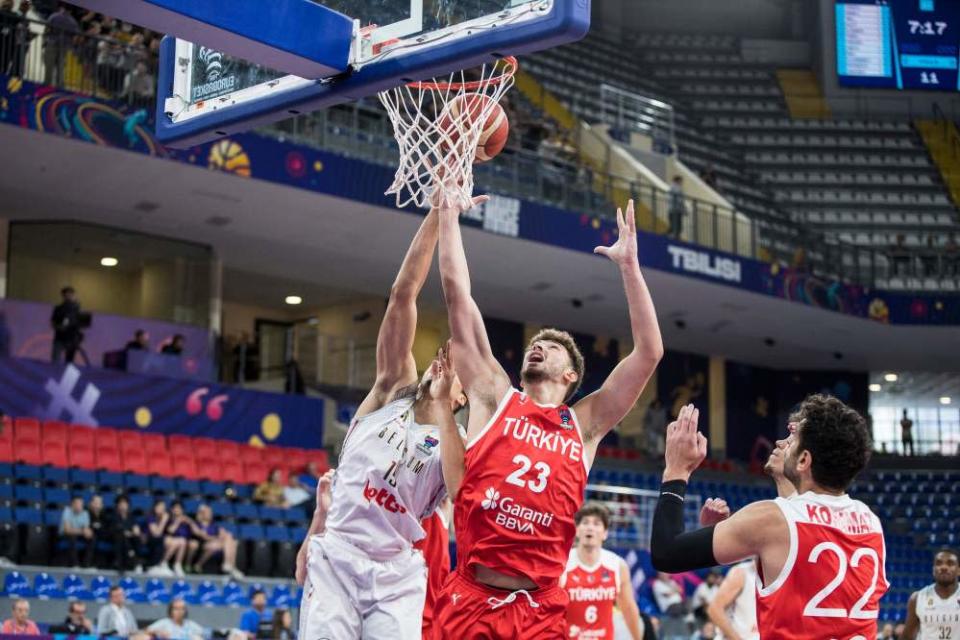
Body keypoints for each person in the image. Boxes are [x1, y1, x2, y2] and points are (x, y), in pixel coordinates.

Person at [432, 196, 663, 639]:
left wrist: (630, 269)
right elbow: (457, 295)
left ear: (571, 373)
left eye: (551, 347)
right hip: (473, 598)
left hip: (540, 609)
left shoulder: (584, 423)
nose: (538, 346)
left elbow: (650, 352)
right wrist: (447, 215)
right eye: (535, 344)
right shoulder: (492, 394)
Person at [298, 201, 468, 640]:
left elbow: (465, 493)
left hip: (396, 572)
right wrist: (441, 209)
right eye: (444, 355)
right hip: (339, 554)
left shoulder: (458, 443)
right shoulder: (392, 389)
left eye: (457, 367)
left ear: (464, 395)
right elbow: (403, 293)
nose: (443, 363)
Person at [649, 395, 886, 639]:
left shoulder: (773, 519)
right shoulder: (870, 521)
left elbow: (666, 553)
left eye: (792, 441)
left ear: (804, 460)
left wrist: (676, 471)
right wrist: (719, 534)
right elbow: (793, 558)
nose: (782, 442)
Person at [559, 502, 645, 640]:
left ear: (605, 533)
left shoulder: (618, 565)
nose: (590, 527)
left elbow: (628, 609)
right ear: (577, 530)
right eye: (585, 522)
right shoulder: (563, 564)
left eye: (597, 523)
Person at [903, 548, 960, 640]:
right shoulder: (917, 598)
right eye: (938, 563)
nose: (944, 567)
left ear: (958, 570)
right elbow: (906, 637)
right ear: (933, 570)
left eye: (950, 563)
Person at [185, 504, 242, 578]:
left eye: (210, 512)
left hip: (214, 543)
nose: (210, 514)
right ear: (202, 513)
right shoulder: (196, 523)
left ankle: (229, 564)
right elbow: (204, 537)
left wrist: (224, 535)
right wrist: (217, 538)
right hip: (200, 544)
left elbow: (222, 533)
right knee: (218, 544)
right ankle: (229, 565)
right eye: (208, 512)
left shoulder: (213, 525)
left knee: (231, 539)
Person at [145, 499, 188, 577]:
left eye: (163, 507)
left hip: (161, 539)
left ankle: (177, 565)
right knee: (175, 542)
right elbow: (157, 534)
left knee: (182, 541)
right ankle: (163, 563)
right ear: (155, 507)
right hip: (150, 540)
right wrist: (164, 520)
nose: (162, 509)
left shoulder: (167, 517)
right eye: (160, 507)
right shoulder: (151, 517)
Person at [50, 285, 83, 363]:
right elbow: (53, 322)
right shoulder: (58, 308)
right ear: (63, 296)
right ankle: (54, 373)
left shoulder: (77, 308)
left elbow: (80, 322)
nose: (68, 296)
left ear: (73, 295)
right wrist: (59, 327)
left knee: (69, 362)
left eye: (70, 294)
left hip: (72, 338)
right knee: (55, 359)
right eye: (66, 295)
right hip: (59, 337)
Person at [110, 494, 142, 572]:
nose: (123, 506)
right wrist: (126, 532)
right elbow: (115, 528)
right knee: (121, 537)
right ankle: (130, 561)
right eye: (121, 504)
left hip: (130, 538)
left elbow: (135, 528)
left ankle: (134, 560)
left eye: (125, 504)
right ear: (117, 505)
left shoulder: (131, 517)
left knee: (137, 537)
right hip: (116, 537)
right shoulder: (114, 516)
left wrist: (134, 531)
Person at [60, 494, 93, 567]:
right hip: (65, 535)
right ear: (72, 504)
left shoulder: (85, 513)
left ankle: (86, 564)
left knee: (91, 538)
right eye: (77, 504)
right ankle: (75, 564)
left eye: (81, 504)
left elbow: (86, 530)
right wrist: (82, 531)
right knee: (72, 537)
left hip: (79, 535)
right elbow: (67, 530)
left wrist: (87, 532)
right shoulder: (67, 511)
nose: (79, 506)